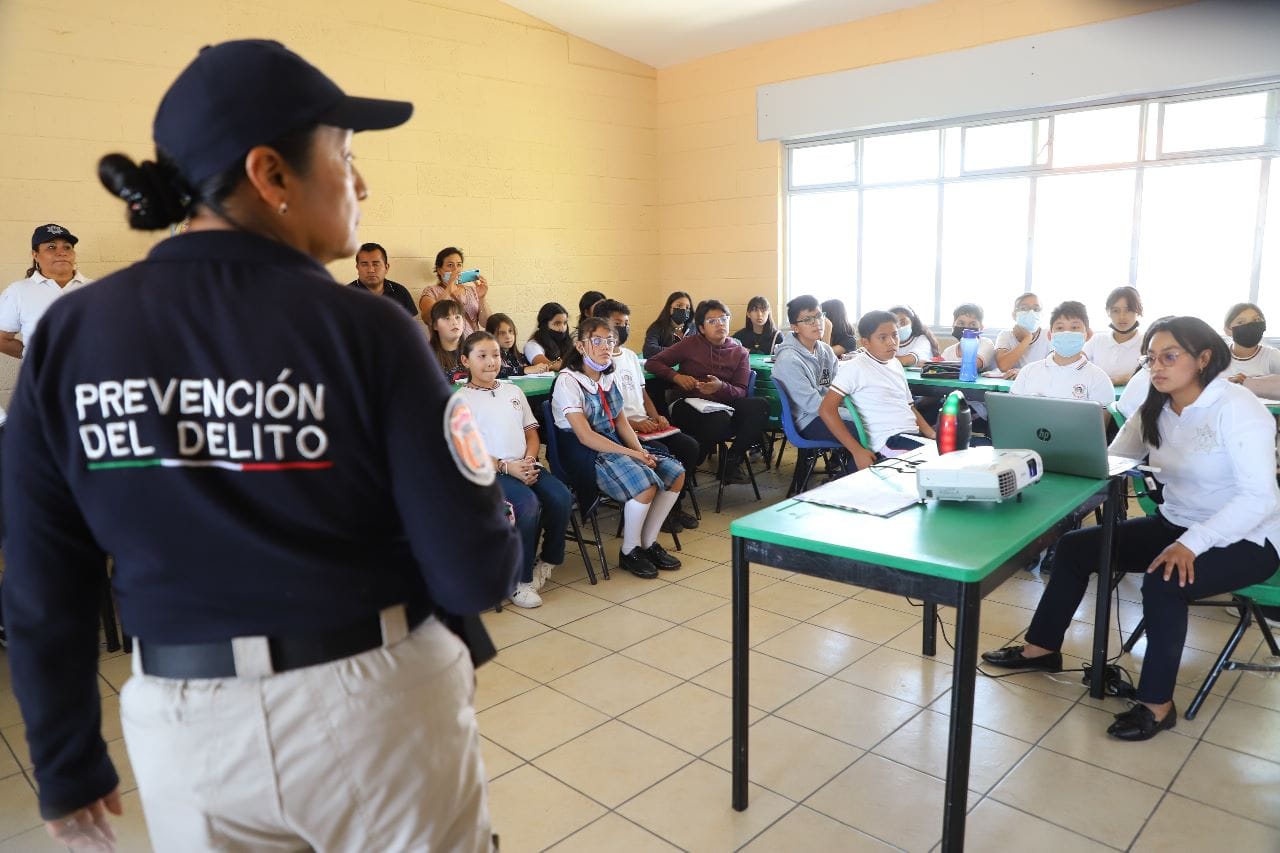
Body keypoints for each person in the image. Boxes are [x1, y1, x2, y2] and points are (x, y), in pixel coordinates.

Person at [2, 39, 519, 851]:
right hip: (375, 708)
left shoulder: (72, 334)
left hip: (185, 731)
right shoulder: (372, 329)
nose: (362, 181)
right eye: (345, 155)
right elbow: (476, 566)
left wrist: (65, 758)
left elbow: (42, 576)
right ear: (272, 174)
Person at [982, 317, 1279, 741]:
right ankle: (1041, 649)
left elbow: (1259, 499)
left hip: (1249, 538)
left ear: (1204, 359)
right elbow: (1112, 460)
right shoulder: (1155, 405)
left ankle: (1157, 705)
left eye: (1170, 357)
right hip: (1175, 523)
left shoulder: (1238, 408)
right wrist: (1051, 469)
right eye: (1151, 358)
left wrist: (1191, 545)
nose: (1157, 366)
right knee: (1075, 548)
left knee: (1163, 581)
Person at [551, 318, 684, 578]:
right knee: (646, 485)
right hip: (585, 453)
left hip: (615, 445)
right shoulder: (568, 380)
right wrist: (633, 454)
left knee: (675, 472)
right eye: (597, 341)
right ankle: (629, 551)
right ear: (581, 346)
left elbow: (621, 421)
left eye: (610, 341)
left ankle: (648, 543)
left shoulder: (607, 374)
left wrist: (641, 451)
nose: (605, 347)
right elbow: (586, 436)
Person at [459, 331, 570, 609]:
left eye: (495, 355)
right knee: (527, 505)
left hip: (524, 465)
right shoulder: (460, 400)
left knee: (561, 496)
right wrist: (506, 466)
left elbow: (531, 432)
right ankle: (519, 581)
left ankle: (548, 559)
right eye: (481, 356)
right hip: (489, 472)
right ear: (465, 361)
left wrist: (530, 461)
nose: (490, 362)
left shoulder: (513, 390)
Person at [593, 299, 700, 531]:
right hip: (624, 430)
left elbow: (643, 393)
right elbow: (603, 410)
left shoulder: (631, 356)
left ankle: (673, 507)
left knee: (689, 446)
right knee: (665, 454)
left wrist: (657, 416)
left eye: (627, 323)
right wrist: (633, 424)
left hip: (647, 424)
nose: (624, 328)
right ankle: (656, 512)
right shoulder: (598, 361)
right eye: (618, 323)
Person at [645, 299, 771, 485]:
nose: (720, 324)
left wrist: (721, 387)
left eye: (723, 318)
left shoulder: (739, 352)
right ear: (702, 328)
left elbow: (741, 390)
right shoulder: (690, 344)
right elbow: (652, 363)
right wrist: (676, 377)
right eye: (712, 321)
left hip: (724, 403)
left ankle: (731, 461)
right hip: (689, 403)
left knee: (760, 405)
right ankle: (691, 463)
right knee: (719, 418)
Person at [817, 310, 937, 470]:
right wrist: (857, 451)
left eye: (895, 335)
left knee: (966, 448)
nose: (891, 342)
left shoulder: (895, 364)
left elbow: (909, 406)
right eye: (883, 337)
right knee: (942, 463)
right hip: (888, 443)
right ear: (865, 342)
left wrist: (932, 434)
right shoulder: (855, 367)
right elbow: (826, 410)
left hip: (911, 436)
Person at [0, 224, 93, 359]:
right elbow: (2, 339)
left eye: (67, 247)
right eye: (51, 247)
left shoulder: (95, 288)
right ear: (35, 255)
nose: (62, 252)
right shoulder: (18, 292)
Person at [771, 295, 853, 445]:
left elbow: (839, 389)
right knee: (866, 433)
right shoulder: (789, 360)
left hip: (828, 412)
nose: (817, 323)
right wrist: (855, 415)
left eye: (819, 316)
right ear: (795, 327)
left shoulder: (826, 351)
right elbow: (813, 406)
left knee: (872, 425)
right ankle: (853, 467)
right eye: (808, 319)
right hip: (808, 420)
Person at [1008, 301, 1114, 404]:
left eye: (1074, 327)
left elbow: (1099, 421)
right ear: (1050, 335)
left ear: (1088, 334)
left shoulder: (1099, 379)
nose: (1067, 333)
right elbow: (1012, 412)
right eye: (1060, 328)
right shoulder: (1028, 372)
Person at [418, 246, 489, 334]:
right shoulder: (431, 291)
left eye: (459, 265)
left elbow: (486, 323)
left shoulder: (472, 290)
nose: (455, 269)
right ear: (439, 270)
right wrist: (448, 290)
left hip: (473, 345)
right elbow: (428, 319)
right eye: (450, 265)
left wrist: (482, 298)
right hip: (446, 346)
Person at [1082, 285, 1143, 384]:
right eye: (1115, 311)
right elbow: (1075, 364)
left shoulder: (1147, 343)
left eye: (1128, 310)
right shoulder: (1097, 340)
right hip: (1097, 397)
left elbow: (1152, 374)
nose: (1122, 316)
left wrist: (1121, 380)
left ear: (1138, 311)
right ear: (1108, 312)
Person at [347, 241, 417, 316]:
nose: (371, 270)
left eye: (375, 264)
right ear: (357, 268)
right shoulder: (346, 295)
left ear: (386, 267)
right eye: (364, 265)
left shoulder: (400, 292)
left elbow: (410, 325)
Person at [1223, 302, 1280, 384]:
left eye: (1256, 320)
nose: (1251, 326)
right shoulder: (1217, 356)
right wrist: (1226, 384)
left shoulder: (1272, 356)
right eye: (1241, 322)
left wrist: (1259, 383)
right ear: (1227, 331)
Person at [995, 292, 1051, 372]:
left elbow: (1056, 368)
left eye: (1036, 309)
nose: (1031, 313)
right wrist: (1027, 338)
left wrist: (1024, 373)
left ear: (1042, 314)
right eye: (1024, 308)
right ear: (1014, 315)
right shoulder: (1005, 335)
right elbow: (1003, 366)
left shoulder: (1048, 335)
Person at [485, 313, 548, 377]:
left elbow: (532, 369)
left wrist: (540, 368)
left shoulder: (520, 357)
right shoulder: (487, 358)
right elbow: (496, 371)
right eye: (502, 333)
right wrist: (525, 370)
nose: (508, 336)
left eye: (510, 331)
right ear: (491, 336)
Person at [940, 303, 996, 369]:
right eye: (961, 323)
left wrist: (943, 365)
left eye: (973, 324)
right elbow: (938, 368)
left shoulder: (985, 343)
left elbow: (971, 365)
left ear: (981, 327)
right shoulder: (948, 351)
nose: (966, 328)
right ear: (953, 325)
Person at [642, 291, 695, 358]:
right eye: (679, 306)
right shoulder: (657, 327)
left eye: (687, 307)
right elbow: (648, 350)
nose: (683, 310)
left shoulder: (694, 328)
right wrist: (679, 350)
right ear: (669, 308)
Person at [525, 301, 571, 371]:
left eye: (565, 323)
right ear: (545, 325)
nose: (562, 329)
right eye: (557, 323)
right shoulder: (532, 345)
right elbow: (546, 365)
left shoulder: (567, 342)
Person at [429, 298, 467, 382]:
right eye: (447, 318)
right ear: (435, 325)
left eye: (457, 317)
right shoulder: (426, 357)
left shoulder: (474, 351)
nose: (454, 322)